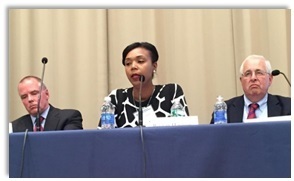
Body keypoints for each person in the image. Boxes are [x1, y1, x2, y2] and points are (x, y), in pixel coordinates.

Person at [99, 42, 189, 128]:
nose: (133, 66)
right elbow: (104, 137)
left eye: (140, 61)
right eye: (128, 63)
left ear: (154, 65)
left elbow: (182, 133)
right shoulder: (117, 97)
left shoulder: (171, 92)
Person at [210, 54, 291, 124]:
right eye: (248, 74)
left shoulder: (288, 107)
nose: (253, 78)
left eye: (259, 73)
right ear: (241, 81)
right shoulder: (225, 110)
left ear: (270, 79)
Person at [12, 75, 83, 132]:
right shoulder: (14, 127)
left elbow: (71, 145)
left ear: (47, 94)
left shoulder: (68, 118)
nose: (30, 99)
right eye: (24, 97)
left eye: (34, 93)